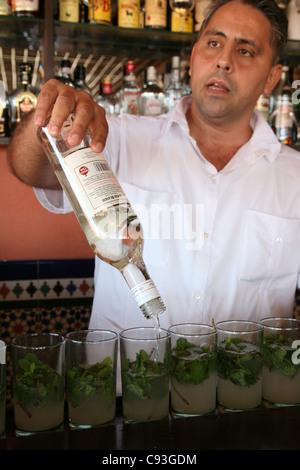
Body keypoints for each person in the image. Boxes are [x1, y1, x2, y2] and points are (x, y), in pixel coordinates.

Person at [7, 0, 300, 335]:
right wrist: (46, 119)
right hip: (123, 382)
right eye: (214, 43)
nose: (223, 61)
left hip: (246, 385)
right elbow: (29, 168)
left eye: (246, 51)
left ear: (272, 78)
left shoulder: (295, 178)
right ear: (192, 60)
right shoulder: (116, 138)